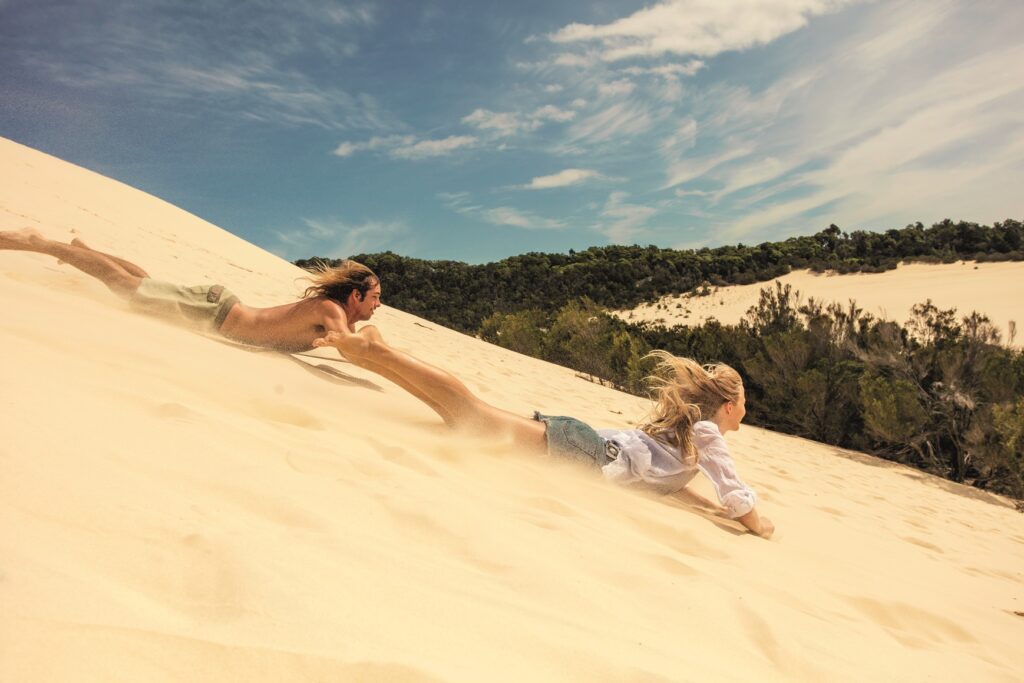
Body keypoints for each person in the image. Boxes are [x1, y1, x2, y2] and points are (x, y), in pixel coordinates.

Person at [313, 327, 775, 539]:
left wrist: (714, 512)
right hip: (584, 453)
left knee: (460, 419)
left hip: (582, 444)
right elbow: (739, 497)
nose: (745, 415)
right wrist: (759, 525)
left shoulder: (689, 438)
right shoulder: (710, 436)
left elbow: (673, 485)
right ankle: (379, 352)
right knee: (469, 412)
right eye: (745, 406)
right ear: (730, 407)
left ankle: (375, 357)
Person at [0, 227, 380, 352]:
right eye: (375, 298)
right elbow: (350, 346)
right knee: (124, 287)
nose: (378, 306)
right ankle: (41, 243)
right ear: (355, 296)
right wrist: (370, 342)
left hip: (216, 307)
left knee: (142, 283)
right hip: (213, 313)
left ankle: (83, 253)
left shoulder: (330, 309)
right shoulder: (332, 310)